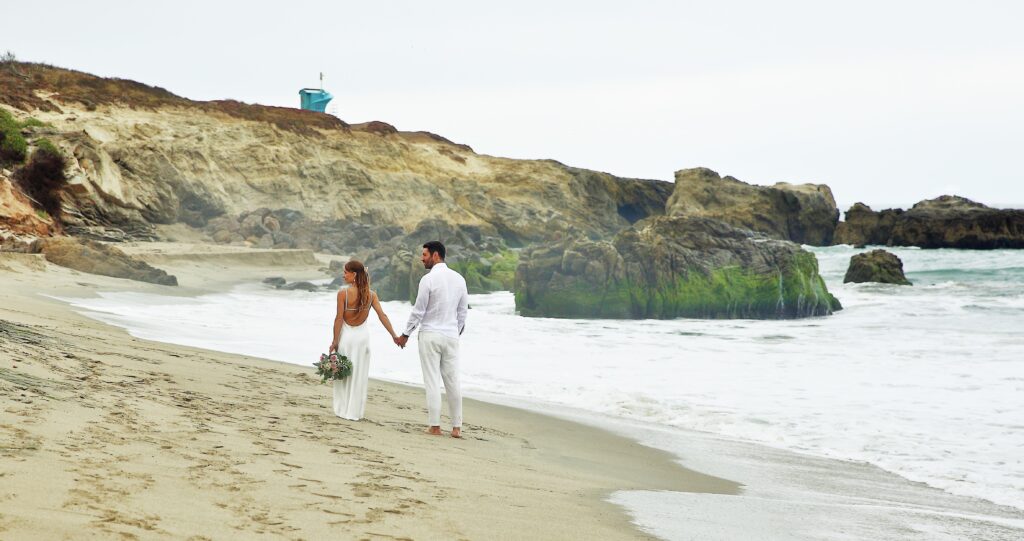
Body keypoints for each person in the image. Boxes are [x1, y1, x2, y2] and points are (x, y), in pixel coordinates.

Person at [396, 241, 469, 438]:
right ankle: (456, 428)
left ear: (436, 255)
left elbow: (419, 311)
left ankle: (435, 426)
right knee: (453, 381)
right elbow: (462, 312)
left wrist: (405, 334)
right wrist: (456, 331)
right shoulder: (460, 279)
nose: (422, 258)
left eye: (425, 255)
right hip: (451, 336)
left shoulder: (428, 280)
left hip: (430, 335)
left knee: (432, 381)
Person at [329, 259, 399, 421]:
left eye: (346, 272)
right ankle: (354, 412)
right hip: (362, 339)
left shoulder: (343, 294)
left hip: (347, 338)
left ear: (354, 274)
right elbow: (383, 316)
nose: (343, 275)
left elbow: (338, 319)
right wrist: (394, 336)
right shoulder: (371, 294)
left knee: (344, 373)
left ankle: (342, 409)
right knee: (358, 375)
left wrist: (334, 341)